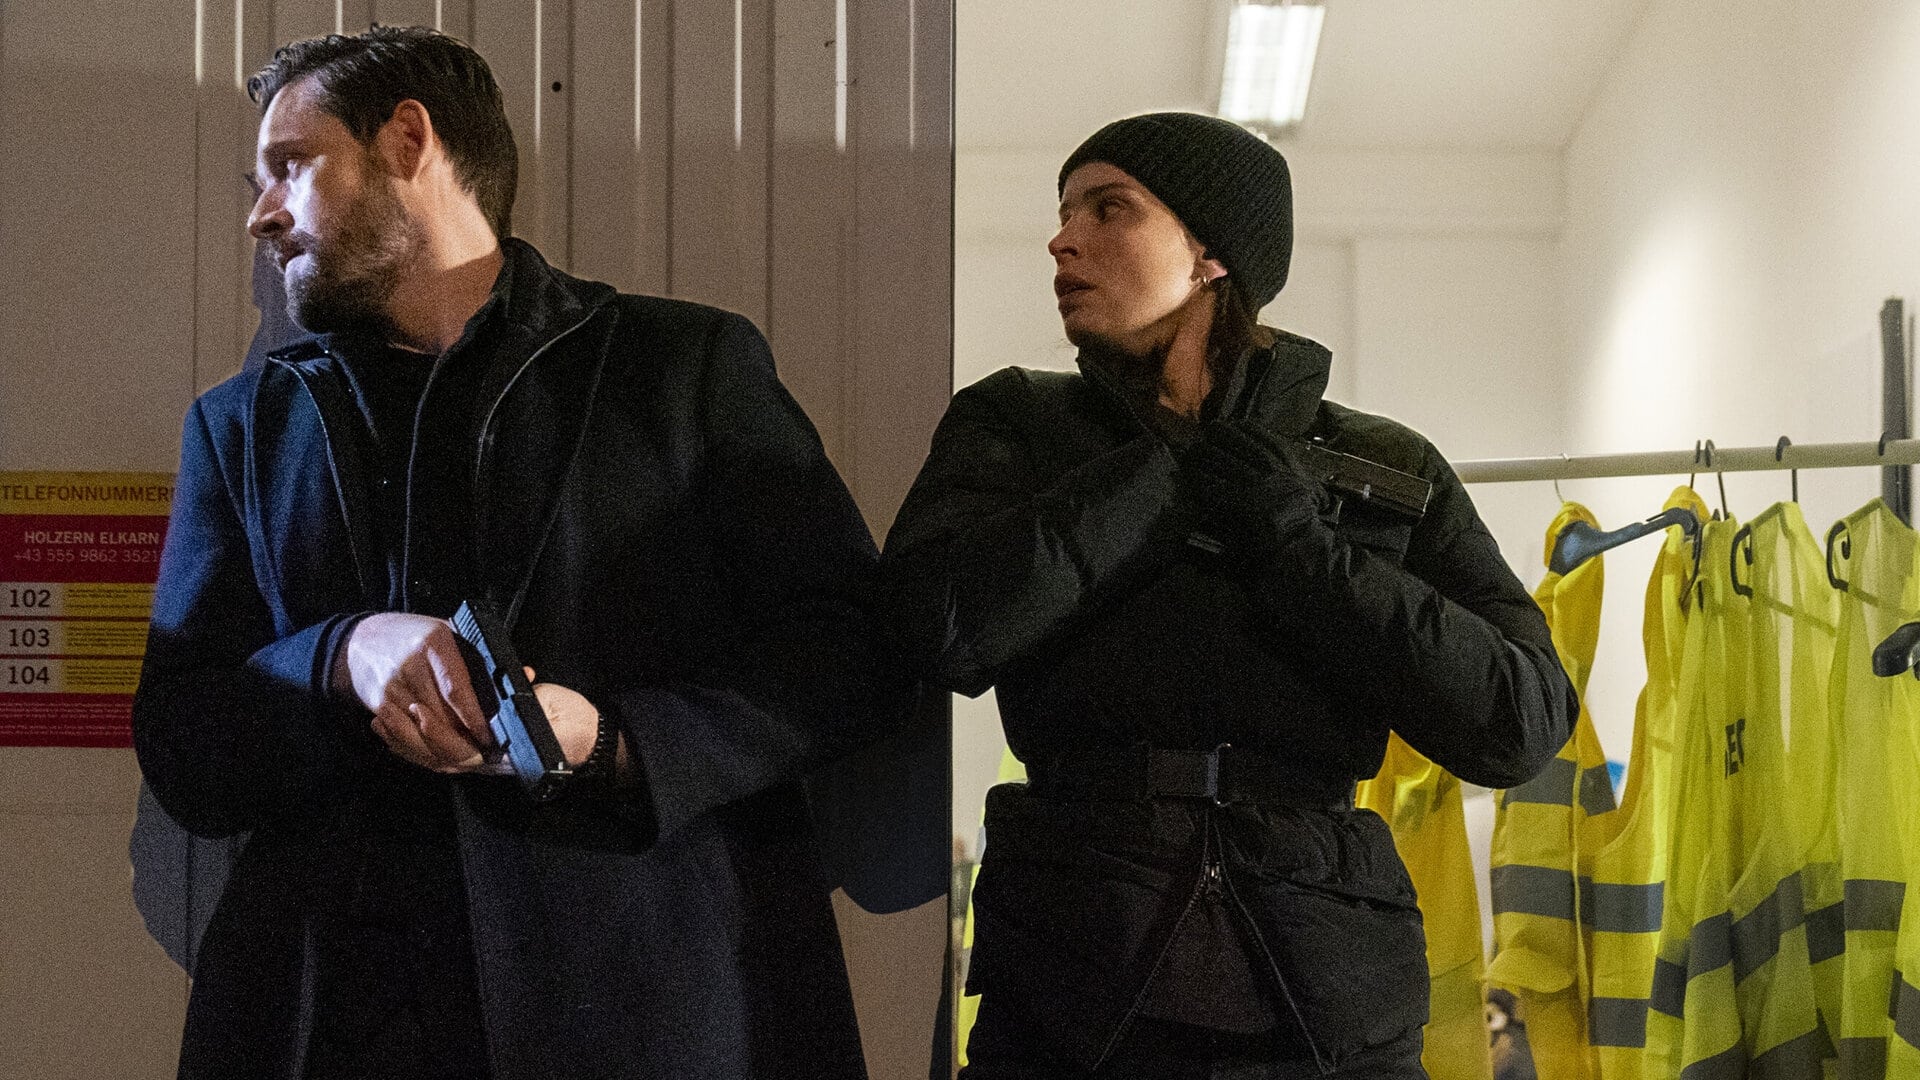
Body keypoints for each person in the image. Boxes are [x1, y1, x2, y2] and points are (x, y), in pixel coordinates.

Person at [132, 25, 889, 1080]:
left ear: (408, 140)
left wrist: (616, 742)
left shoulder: (680, 367)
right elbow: (183, 742)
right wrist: (341, 656)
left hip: (639, 1007)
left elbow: (850, 654)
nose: (260, 213)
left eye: (290, 166)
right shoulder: (242, 427)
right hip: (336, 1018)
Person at [883, 112, 1576, 1078]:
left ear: (1211, 254)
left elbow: (1520, 719)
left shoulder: (1381, 466)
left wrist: (1302, 552)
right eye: (1065, 211)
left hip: (1326, 1010)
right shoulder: (1017, 423)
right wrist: (1165, 466)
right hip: (1077, 990)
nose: (1062, 239)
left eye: (1109, 209)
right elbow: (935, 630)